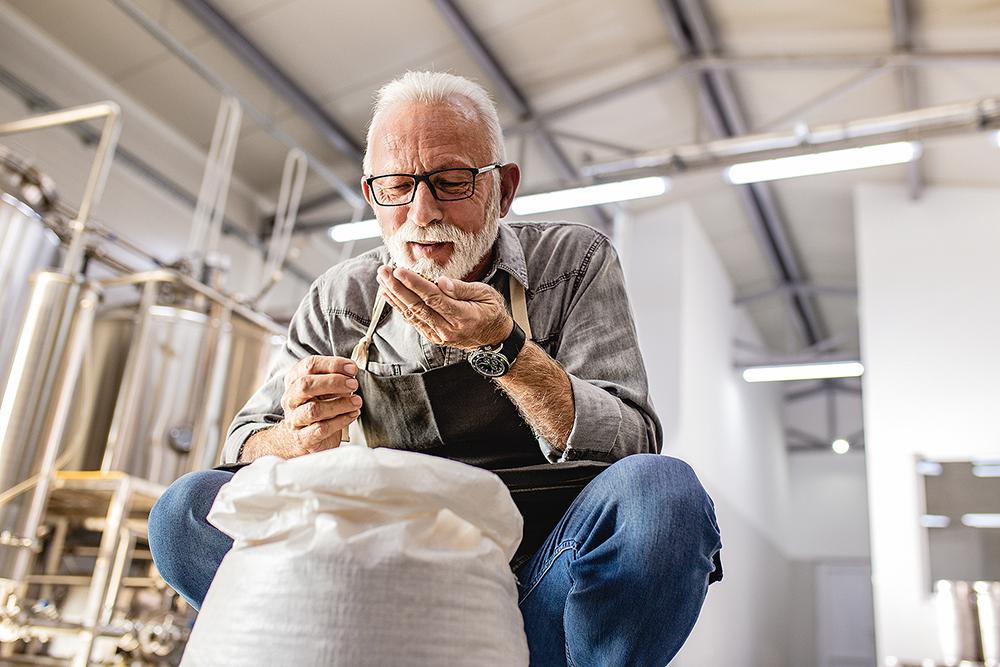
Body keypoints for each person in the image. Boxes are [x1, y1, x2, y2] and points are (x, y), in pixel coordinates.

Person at [149, 70, 721, 666]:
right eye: (397, 187)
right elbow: (245, 445)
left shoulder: (572, 263)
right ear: (372, 193)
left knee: (663, 496)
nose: (422, 213)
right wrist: (297, 437)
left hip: (545, 587)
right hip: (378, 588)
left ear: (503, 190)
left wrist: (508, 353)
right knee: (187, 508)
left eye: (451, 182)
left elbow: (634, 440)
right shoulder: (338, 298)